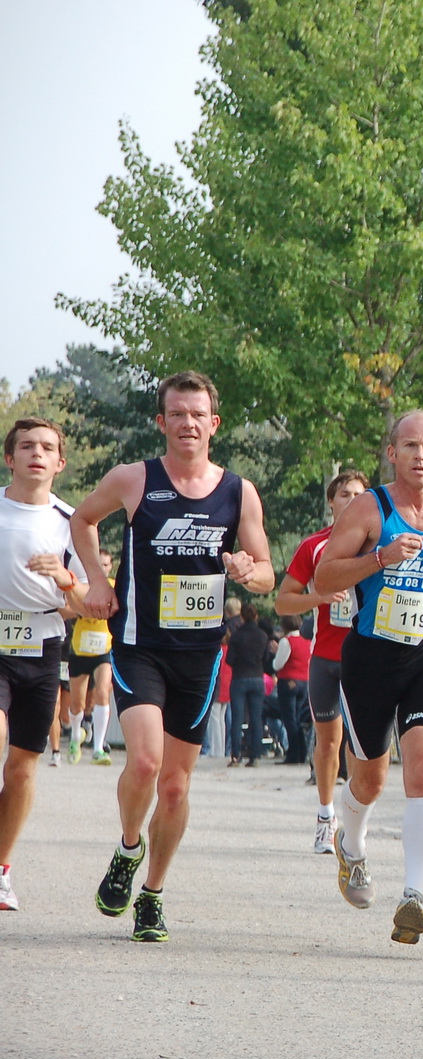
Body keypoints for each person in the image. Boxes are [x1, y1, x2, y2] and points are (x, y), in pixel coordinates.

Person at [73, 371, 275, 942]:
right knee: (143, 761)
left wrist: (245, 570)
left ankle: (153, 895)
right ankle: (128, 848)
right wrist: (95, 578)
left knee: (178, 787)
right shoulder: (134, 480)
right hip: (139, 646)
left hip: (201, 653)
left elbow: (265, 572)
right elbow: (82, 519)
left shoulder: (239, 492)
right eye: (177, 414)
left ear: (214, 423)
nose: (188, 424)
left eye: (198, 414)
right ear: (162, 422)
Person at [315, 409, 423, 945]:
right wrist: (380, 558)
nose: (418, 455)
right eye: (408, 445)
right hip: (368, 657)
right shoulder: (371, 508)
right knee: (369, 778)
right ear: (392, 454)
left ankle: (413, 895)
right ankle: (354, 844)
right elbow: (324, 576)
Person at [0, 419, 90, 912]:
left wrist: (64, 579)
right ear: (9, 458)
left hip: (42, 644)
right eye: (26, 445)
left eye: (48, 447)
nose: (37, 453)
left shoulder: (72, 522)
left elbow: (90, 604)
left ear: (60, 462)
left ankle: (1, 869)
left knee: (20, 770)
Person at [275, 469, 370, 852]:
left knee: (362, 745)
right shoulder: (314, 546)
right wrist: (318, 598)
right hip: (326, 657)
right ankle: (325, 814)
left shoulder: (378, 546)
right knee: (329, 740)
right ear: (331, 502)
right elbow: (283, 601)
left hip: (365, 657)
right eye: (344, 493)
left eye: (358, 494)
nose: (350, 500)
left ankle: (355, 822)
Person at [64, 548, 117, 766]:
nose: (103, 568)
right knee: (77, 704)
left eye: (106, 565)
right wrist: (81, 609)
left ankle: (98, 748)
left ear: (111, 566)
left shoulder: (115, 586)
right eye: (99, 564)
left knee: (102, 692)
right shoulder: (82, 585)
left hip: (104, 648)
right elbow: (63, 609)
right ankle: (76, 737)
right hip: (80, 649)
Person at [224, 603, 269, 766]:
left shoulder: (236, 636)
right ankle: (255, 756)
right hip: (257, 678)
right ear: (256, 616)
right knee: (256, 718)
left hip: (239, 678)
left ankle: (236, 755)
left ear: (242, 617)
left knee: (237, 718)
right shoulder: (263, 635)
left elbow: (230, 659)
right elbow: (266, 659)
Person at [271, 614, 312, 764]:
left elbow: (278, 664)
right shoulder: (306, 642)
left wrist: (275, 655)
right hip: (304, 682)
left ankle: (293, 754)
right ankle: (302, 752)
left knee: (290, 719)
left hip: (288, 681)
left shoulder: (286, 641)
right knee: (299, 718)